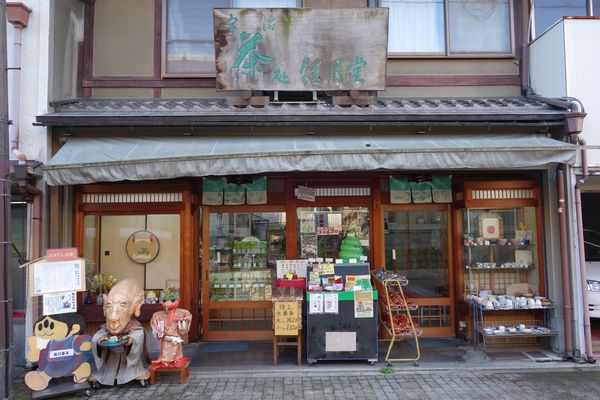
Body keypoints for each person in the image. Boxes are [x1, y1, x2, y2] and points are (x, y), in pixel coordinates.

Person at [89, 279, 149, 386]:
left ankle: (132, 373)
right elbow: (98, 335)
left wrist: (129, 340)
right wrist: (99, 339)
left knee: (138, 336)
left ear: (136, 304)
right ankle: (106, 374)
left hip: (127, 359)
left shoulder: (134, 327)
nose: (113, 316)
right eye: (109, 305)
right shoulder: (105, 327)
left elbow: (138, 335)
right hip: (111, 358)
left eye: (123, 304)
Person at [150, 295, 192, 367]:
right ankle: (164, 361)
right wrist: (158, 330)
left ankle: (176, 360)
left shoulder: (183, 313)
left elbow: (187, 320)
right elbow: (154, 324)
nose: (167, 302)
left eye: (172, 300)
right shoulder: (157, 315)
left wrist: (181, 321)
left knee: (176, 352)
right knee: (165, 349)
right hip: (165, 337)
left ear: (178, 301)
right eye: (165, 300)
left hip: (176, 337)